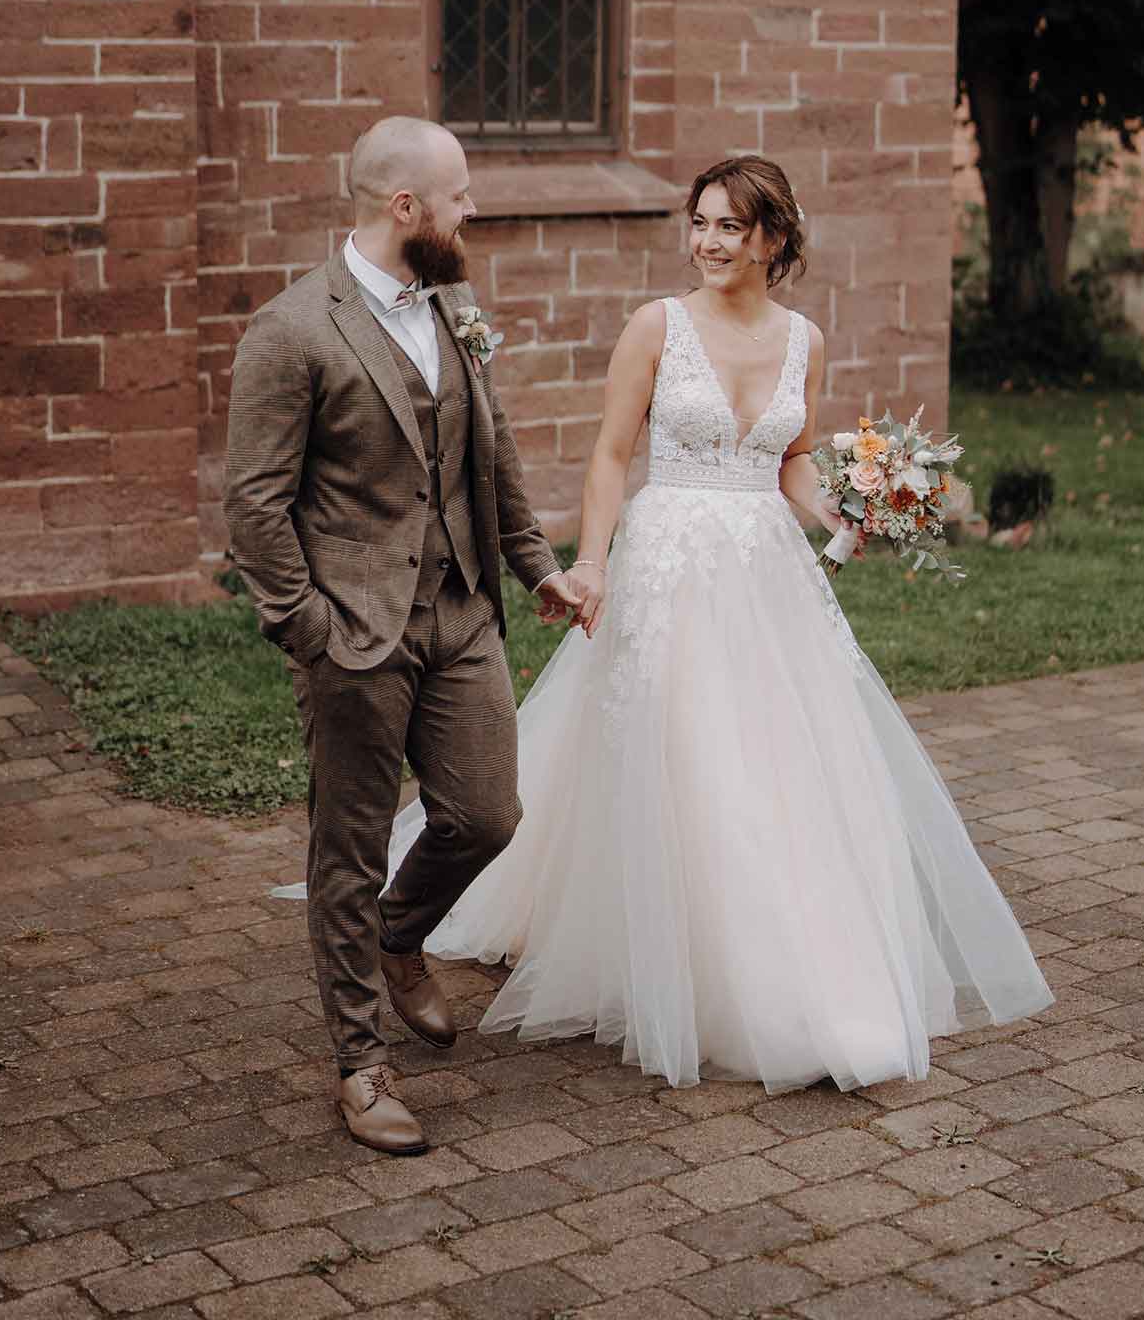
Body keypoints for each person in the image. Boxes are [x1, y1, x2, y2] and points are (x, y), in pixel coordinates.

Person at [376, 154, 1054, 1095]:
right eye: (701, 223)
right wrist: (591, 562)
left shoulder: (804, 338)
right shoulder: (657, 327)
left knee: (774, 758)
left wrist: (850, 510)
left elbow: (796, 462)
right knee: (683, 755)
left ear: (774, 238)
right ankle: (655, 947)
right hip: (669, 565)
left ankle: (775, 960)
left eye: (732, 226)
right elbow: (613, 455)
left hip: (765, 573)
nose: (709, 242)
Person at [225, 117, 581, 1154]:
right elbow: (254, 505)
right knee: (346, 845)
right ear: (405, 209)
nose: (472, 212)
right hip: (354, 631)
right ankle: (359, 1063)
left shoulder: (454, 304)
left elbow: (493, 451)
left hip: (461, 610)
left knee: (486, 815)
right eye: (460, 196)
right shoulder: (290, 332)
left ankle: (399, 932)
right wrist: (308, 628)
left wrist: (536, 566)